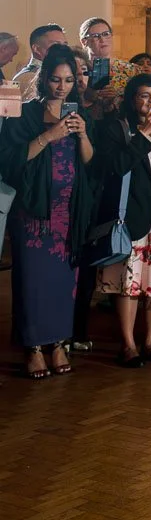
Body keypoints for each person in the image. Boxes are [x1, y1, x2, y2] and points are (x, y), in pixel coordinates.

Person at [0, 43, 95, 379]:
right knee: (33, 281)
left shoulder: (78, 114)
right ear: (44, 79)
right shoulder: (25, 114)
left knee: (64, 281)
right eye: (56, 79)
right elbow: (11, 162)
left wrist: (82, 135)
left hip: (68, 212)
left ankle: (58, 343)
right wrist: (50, 135)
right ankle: (34, 347)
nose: (62, 86)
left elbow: (88, 161)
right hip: (34, 213)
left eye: (69, 80)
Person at [94, 74, 151, 365]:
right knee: (130, 282)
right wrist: (145, 137)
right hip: (133, 214)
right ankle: (128, 344)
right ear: (132, 98)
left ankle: (150, 341)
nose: (149, 101)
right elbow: (116, 167)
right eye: (143, 95)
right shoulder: (117, 128)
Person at [78, 16, 136, 117]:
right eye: (96, 36)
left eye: (106, 34)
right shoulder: (77, 69)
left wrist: (117, 99)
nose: (102, 39)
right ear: (84, 41)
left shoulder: (131, 70)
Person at [13, 24, 67, 100]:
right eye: (56, 45)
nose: (63, 49)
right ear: (36, 49)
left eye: (65, 45)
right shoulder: (30, 77)